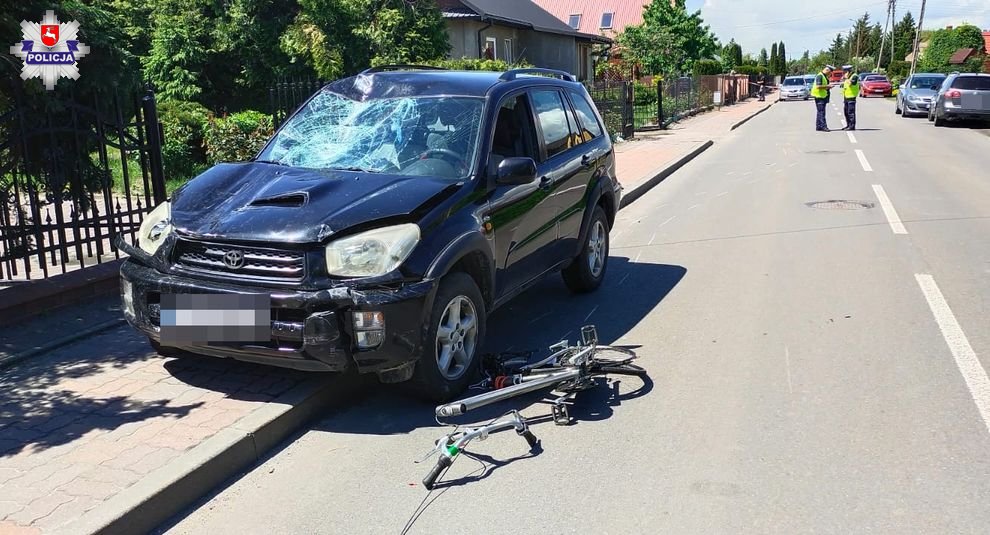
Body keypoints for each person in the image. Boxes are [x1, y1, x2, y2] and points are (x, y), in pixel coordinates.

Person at [811, 65, 833, 132]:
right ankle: (824, 126)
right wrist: (827, 86)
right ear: (827, 70)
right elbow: (818, 86)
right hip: (819, 96)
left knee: (819, 112)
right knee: (821, 112)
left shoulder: (823, 76)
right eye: (829, 73)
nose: (830, 74)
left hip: (822, 96)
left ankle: (818, 126)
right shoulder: (820, 76)